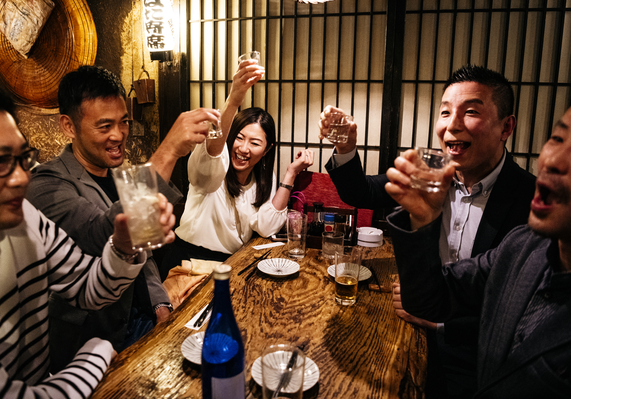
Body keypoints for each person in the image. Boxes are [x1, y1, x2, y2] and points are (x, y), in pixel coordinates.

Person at [0, 73, 176, 398]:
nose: (20, 179)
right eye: (0, 162)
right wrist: (95, 353)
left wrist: (124, 247)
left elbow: (89, 288)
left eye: (22, 159)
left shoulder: (22, 220)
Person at [319, 65, 536, 398]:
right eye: (445, 112)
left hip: (478, 356)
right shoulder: (431, 175)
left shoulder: (531, 200)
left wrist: (441, 323)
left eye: (471, 112)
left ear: (507, 126)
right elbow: (361, 193)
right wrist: (346, 148)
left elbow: (521, 309)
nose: (452, 125)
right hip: (408, 325)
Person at [25, 65, 218, 371]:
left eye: (123, 122)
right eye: (104, 126)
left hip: (139, 319)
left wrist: (160, 303)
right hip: (90, 344)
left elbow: (144, 248)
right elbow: (102, 234)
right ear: (68, 126)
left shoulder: (121, 175)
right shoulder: (46, 184)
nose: (118, 135)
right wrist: (168, 151)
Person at [386, 108, 571, 397]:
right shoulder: (523, 246)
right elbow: (429, 300)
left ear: (506, 128)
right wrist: (423, 219)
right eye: (558, 138)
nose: (552, 161)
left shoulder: (520, 194)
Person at [160, 58, 314, 274]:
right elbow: (210, 158)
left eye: (255, 143)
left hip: (232, 265)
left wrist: (291, 173)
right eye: (239, 138)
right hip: (189, 264)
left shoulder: (263, 177)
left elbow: (266, 226)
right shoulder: (216, 164)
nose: (244, 148)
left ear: (267, 150)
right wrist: (234, 99)